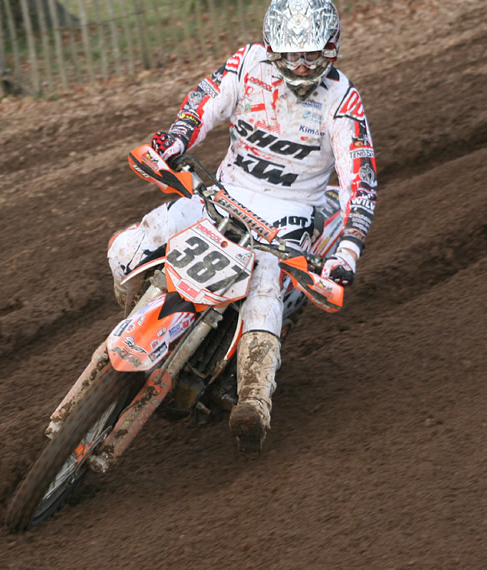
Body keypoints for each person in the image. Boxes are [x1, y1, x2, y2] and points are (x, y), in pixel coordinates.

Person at [107, 0, 377, 457]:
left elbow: (360, 184)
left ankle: (254, 400)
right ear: (272, 48)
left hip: (289, 216)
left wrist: (346, 252)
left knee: (266, 286)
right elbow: (205, 102)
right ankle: (144, 314)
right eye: (290, 54)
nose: (300, 65)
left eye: (311, 54)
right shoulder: (249, 64)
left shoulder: (342, 99)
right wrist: (174, 139)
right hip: (223, 193)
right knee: (135, 242)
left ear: (330, 48)